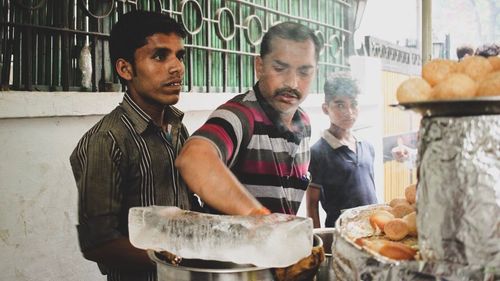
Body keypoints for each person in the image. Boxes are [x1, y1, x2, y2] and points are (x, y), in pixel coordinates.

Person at [175, 21, 324, 278]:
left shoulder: (304, 123)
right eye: (280, 68)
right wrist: (258, 217)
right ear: (259, 67)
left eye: (304, 72)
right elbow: (194, 158)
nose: (292, 82)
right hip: (234, 273)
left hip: (278, 268)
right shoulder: (240, 116)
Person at [69, 11, 200, 281]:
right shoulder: (107, 140)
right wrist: (172, 261)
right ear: (125, 69)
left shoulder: (177, 129)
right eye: (160, 56)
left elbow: (189, 206)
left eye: (179, 56)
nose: (177, 67)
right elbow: (98, 242)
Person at [305, 73, 378, 228]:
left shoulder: (367, 147)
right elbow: (312, 205)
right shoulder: (318, 153)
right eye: (340, 105)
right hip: (341, 235)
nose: (349, 112)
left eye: (354, 104)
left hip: (372, 231)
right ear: (325, 108)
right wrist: (320, 243)